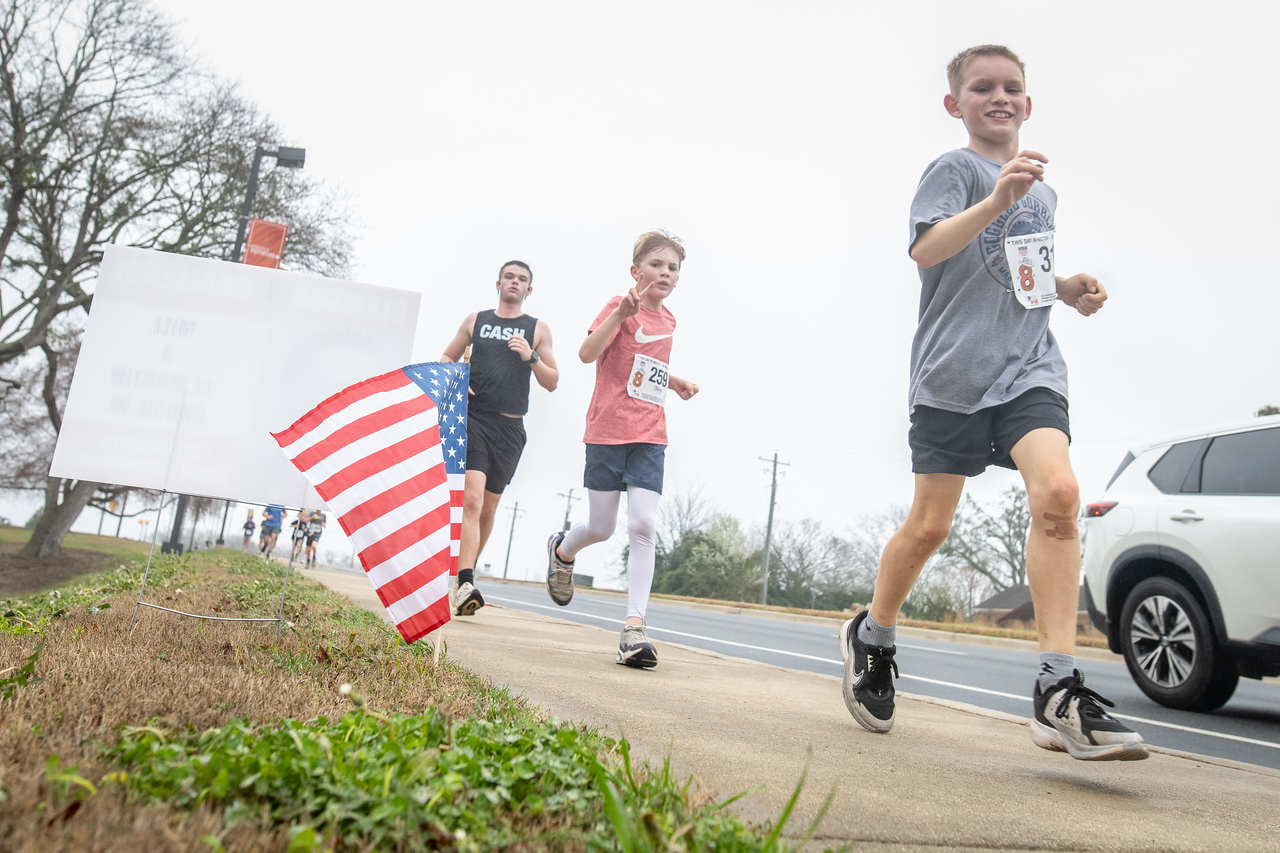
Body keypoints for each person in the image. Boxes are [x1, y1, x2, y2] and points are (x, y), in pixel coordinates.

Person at [839, 45, 1147, 761]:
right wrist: (996, 198)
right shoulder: (956, 171)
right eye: (982, 88)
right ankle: (874, 631)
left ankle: (1058, 687)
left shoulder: (1042, 192)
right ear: (957, 105)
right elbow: (928, 250)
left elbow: (1022, 272)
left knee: (1060, 494)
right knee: (928, 526)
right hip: (952, 377)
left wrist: (1066, 287)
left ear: (1029, 104)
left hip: (1029, 368)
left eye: (1012, 87)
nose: (999, 97)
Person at [545, 230, 699, 668]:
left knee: (644, 523)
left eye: (673, 268)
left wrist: (675, 381)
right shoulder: (618, 306)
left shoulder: (668, 321)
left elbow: (647, 368)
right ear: (636, 271)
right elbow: (586, 354)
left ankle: (634, 629)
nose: (665, 273)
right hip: (607, 431)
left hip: (650, 433)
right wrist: (620, 315)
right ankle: (562, 551)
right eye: (657, 265)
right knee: (601, 527)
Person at [441, 261, 559, 616]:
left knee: (488, 508)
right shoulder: (475, 320)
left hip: (510, 429)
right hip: (473, 419)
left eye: (522, 279)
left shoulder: (537, 329)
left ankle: (465, 578)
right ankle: (464, 583)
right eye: (510, 277)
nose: (515, 282)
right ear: (498, 283)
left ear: (529, 290)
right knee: (472, 501)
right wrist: (457, 378)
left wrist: (531, 356)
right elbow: (448, 356)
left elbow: (552, 380)